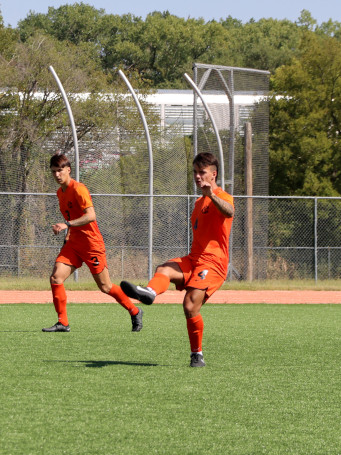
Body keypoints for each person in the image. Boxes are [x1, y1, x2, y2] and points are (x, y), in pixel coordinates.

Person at [121, 152, 234, 367]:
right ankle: (150, 292)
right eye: (195, 172)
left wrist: (212, 195)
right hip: (194, 259)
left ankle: (197, 355)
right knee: (164, 269)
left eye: (202, 172)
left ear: (213, 174)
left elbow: (228, 212)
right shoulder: (198, 202)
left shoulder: (222, 196)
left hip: (213, 263)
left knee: (190, 306)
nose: (197, 176)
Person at [43, 153, 143, 333]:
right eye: (53, 171)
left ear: (68, 170)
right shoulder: (60, 193)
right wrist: (67, 237)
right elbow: (71, 215)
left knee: (105, 286)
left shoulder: (79, 189)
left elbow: (91, 216)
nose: (57, 175)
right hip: (74, 244)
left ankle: (135, 311)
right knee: (56, 278)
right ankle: (63, 323)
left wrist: (66, 225)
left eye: (60, 170)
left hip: (91, 244)